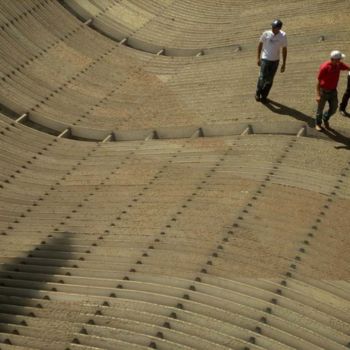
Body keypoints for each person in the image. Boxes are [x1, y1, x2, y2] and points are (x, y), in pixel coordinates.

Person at [315, 50, 350, 131]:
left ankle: (325, 118)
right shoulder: (325, 67)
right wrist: (318, 95)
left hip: (333, 91)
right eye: (339, 59)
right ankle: (318, 123)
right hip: (323, 91)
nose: (340, 61)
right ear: (333, 59)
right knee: (320, 109)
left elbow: (348, 67)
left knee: (334, 108)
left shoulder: (339, 65)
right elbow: (318, 81)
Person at [255, 19, 287, 103]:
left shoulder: (283, 36)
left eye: (274, 27)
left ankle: (264, 96)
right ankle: (258, 92)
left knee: (269, 80)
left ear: (279, 28)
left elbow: (284, 49)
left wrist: (284, 63)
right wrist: (258, 58)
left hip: (275, 60)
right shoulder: (266, 34)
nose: (272, 28)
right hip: (265, 59)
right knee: (262, 77)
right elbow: (260, 45)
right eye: (272, 26)